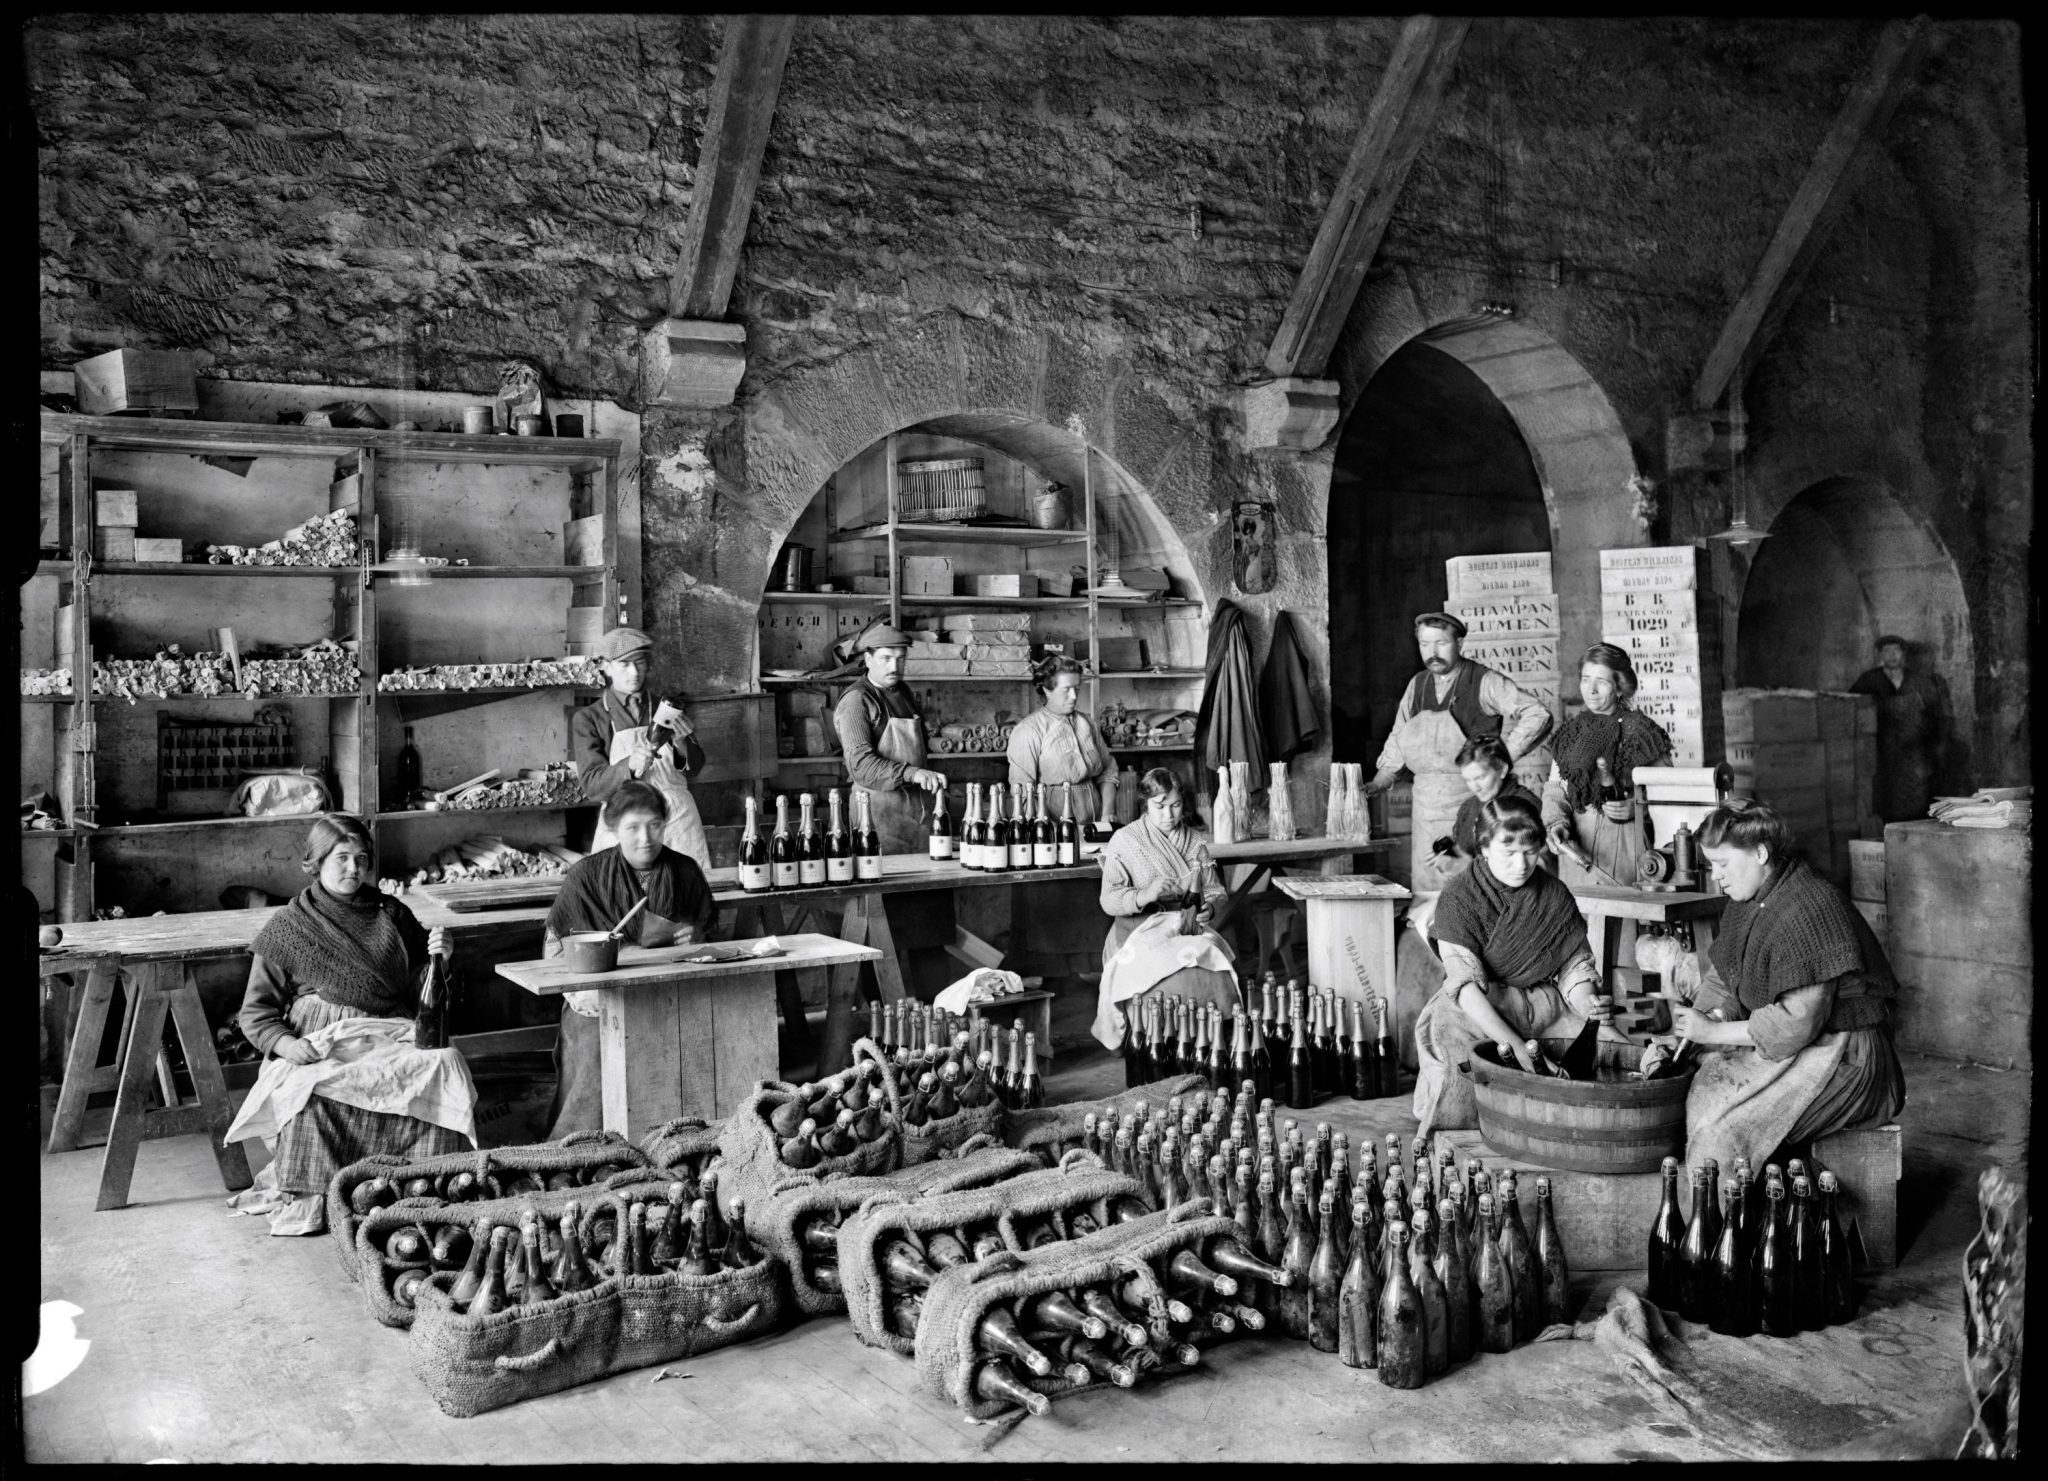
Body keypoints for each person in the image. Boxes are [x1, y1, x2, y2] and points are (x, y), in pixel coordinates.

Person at [225, 814, 476, 1235]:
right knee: (312, 1093)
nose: (352, 868)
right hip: (323, 1040)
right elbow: (256, 1012)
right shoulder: (290, 926)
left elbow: (424, 993)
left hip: (390, 1031)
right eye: (341, 858)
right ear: (316, 861)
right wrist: (286, 1046)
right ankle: (319, 1197)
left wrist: (442, 959)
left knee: (442, 1065)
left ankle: (417, 1188)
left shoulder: (392, 914)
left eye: (361, 858)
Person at [1637, 801, 1905, 1173]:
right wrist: (1699, 1025)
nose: (1717, 876)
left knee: (1726, 1134)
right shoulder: (1748, 901)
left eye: (1724, 864)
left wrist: (1713, 1030)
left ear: (1760, 853)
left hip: (1849, 1057)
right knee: (1705, 1082)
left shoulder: (1809, 907)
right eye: (1712, 865)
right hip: (1806, 1045)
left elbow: (1794, 1025)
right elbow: (1724, 977)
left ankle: (1736, 1219)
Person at [1411, 797, 1614, 1134]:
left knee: (1605, 1053)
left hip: (1542, 1004)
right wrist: (1519, 1049)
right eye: (1509, 853)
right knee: (1461, 1082)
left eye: (1530, 851)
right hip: (1479, 1007)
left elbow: (1574, 966)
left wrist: (1588, 1004)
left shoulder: (1554, 893)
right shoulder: (1459, 898)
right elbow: (1465, 986)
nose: (1521, 864)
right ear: (1485, 848)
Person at [541, 781, 721, 1138]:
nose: (645, 838)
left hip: (668, 993)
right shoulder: (586, 876)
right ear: (613, 829)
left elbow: (709, 935)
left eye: (654, 825)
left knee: (699, 1044)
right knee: (597, 1051)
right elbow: (554, 948)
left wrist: (695, 938)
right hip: (596, 997)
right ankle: (575, 1147)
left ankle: (673, 1139)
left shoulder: (684, 872)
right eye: (632, 828)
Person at [1363, 612, 1552, 893]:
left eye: (1441, 643)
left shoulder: (1484, 681)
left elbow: (1538, 714)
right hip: (1425, 809)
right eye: (1425, 644)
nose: (1433, 652)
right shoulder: (1417, 686)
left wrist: (1501, 758)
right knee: (1429, 898)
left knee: (1473, 890)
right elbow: (1398, 737)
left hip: (1473, 804)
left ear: (1460, 643)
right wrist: (1378, 783)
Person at [1090, 767, 1241, 1054]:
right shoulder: (1125, 840)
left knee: (1213, 964)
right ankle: (1161, 1049)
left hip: (1185, 927)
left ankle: (1213, 1045)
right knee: (1169, 977)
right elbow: (1109, 900)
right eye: (1159, 806)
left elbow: (1214, 890)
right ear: (1144, 805)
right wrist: (1145, 894)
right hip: (1139, 928)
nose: (1169, 815)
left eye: (1176, 806)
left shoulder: (1194, 841)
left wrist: (1209, 907)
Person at [571, 625, 711, 870]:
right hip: (624, 825)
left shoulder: (666, 707)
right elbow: (593, 786)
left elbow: (695, 768)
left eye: (640, 662)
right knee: (622, 898)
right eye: (624, 664)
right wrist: (629, 767)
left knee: (683, 896)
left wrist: (682, 743)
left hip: (675, 821)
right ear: (605, 666)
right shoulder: (590, 719)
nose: (634, 672)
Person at [1540, 642, 1673, 888]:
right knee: (1580, 920)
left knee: (1627, 920)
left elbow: (1670, 794)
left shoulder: (1642, 732)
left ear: (1620, 687)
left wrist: (1638, 808)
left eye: (1601, 681)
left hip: (1625, 846)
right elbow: (1556, 790)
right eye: (1585, 679)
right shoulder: (1570, 734)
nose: (1591, 689)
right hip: (1578, 848)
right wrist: (1556, 823)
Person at [833, 622, 948, 853]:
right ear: (868, 659)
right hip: (876, 816)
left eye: (900, 658)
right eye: (885, 658)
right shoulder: (857, 700)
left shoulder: (903, 691)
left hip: (915, 810)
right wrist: (913, 773)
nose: (894, 666)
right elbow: (861, 766)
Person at [1849, 635, 1951, 823]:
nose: (1892, 655)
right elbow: (1851, 707)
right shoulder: (1869, 680)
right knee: (1884, 797)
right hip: (1881, 751)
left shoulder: (1919, 681)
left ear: (1903, 654)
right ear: (1880, 655)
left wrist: (1936, 746)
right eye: (1887, 651)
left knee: (1916, 798)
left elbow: (1936, 715)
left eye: (1896, 650)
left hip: (1913, 752)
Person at [1007, 654, 1112, 826]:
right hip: (1051, 824)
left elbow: (1108, 771)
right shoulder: (1028, 731)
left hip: (1094, 821)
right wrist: (1049, 830)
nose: (1073, 696)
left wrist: (1108, 814)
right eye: (1066, 689)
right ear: (1048, 690)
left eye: (1077, 689)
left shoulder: (1087, 722)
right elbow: (1023, 792)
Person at [1437, 734, 1542, 877]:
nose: (1475, 787)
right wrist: (1450, 859)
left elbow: (1534, 869)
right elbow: (1463, 855)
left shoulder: (1525, 807)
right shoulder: (1467, 808)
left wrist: (1468, 868)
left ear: (1503, 770)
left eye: (1480, 778)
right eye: (1468, 780)